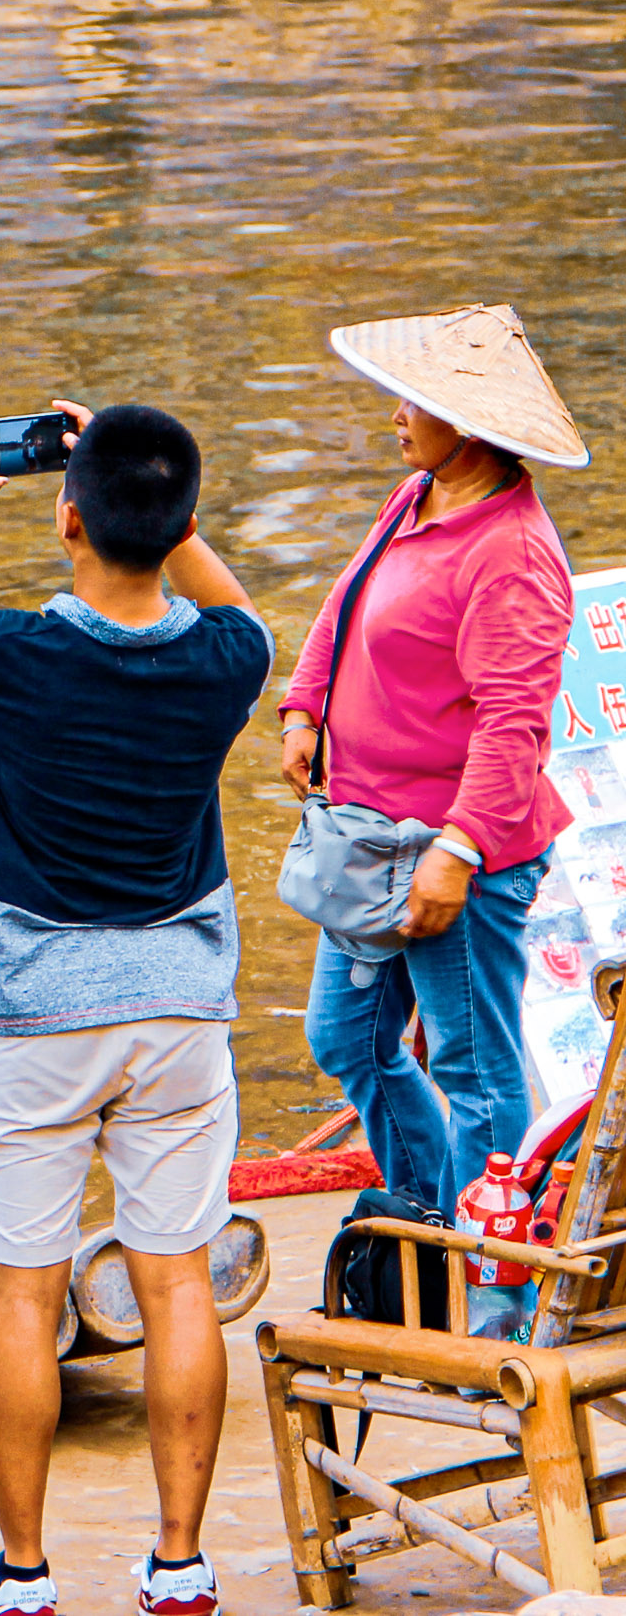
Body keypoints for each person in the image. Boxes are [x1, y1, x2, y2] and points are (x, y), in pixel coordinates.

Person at [0, 403, 273, 1616]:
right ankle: (180, 1567)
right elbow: (230, 603)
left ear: (65, 520)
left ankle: (23, 1578)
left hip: (32, 1022)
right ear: (181, 522)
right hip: (180, 1015)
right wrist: (163, 510)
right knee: (180, 1285)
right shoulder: (230, 660)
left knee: (23, 1295)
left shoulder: (5, 654)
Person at [280, 305, 584, 1254]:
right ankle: (426, 1217)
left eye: (415, 403)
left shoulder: (513, 555)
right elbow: (347, 596)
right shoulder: (416, 496)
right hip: (369, 839)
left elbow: (514, 723)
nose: (396, 415)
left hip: (455, 852)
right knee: (345, 1037)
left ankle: (489, 1282)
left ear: (472, 426)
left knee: (474, 1069)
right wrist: (304, 705)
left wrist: (459, 850)